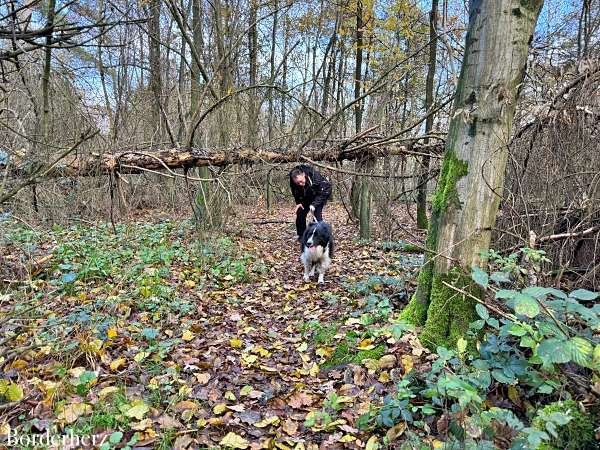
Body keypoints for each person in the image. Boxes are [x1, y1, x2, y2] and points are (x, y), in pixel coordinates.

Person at [289, 164, 332, 240]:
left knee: (316, 215)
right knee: (300, 212)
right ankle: (301, 236)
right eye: (298, 183)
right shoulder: (293, 180)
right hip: (306, 197)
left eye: (301, 181)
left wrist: (314, 204)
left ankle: (319, 237)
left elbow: (326, 191)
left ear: (303, 174)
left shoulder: (316, 177)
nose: (300, 184)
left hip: (318, 196)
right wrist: (298, 202)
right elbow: (294, 190)